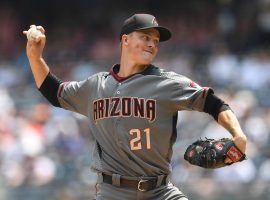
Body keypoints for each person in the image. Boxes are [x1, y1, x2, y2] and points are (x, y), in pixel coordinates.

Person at [23, 13, 247, 200]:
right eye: (146, 36)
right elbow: (54, 92)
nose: (152, 44)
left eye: (156, 41)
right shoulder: (95, 86)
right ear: (125, 40)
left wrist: (238, 134)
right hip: (112, 192)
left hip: (160, 191)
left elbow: (214, 103)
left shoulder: (167, 83)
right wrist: (35, 56)